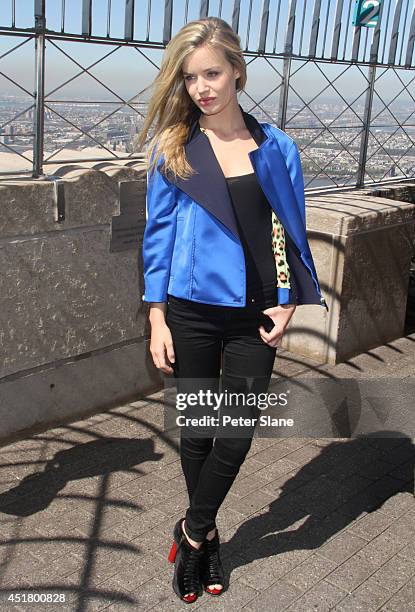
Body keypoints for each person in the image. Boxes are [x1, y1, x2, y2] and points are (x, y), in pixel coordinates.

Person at [137, 16, 328, 604]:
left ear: (238, 71)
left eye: (213, 73)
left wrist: (291, 300)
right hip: (190, 310)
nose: (202, 88)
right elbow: (158, 237)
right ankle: (211, 537)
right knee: (196, 432)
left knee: (238, 432)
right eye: (191, 78)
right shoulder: (175, 147)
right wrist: (156, 316)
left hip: (254, 316)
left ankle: (191, 531)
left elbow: (290, 230)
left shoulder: (279, 148)